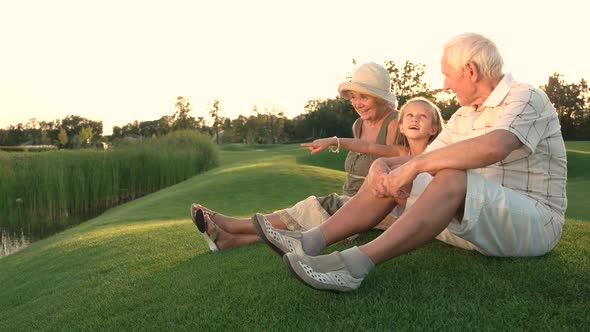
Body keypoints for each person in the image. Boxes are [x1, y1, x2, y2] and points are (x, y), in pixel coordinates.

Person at [252, 32, 568, 292]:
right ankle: (308, 241)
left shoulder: (525, 96)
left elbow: (496, 146)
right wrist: (383, 168)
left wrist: (413, 167)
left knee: (449, 176)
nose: (445, 84)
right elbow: (421, 159)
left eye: (448, 74)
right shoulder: (464, 115)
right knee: (402, 173)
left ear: (470, 70)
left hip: (535, 225)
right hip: (480, 222)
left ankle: (353, 266)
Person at [190, 63, 443, 252]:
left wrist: (335, 141)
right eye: (353, 97)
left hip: (374, 206)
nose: (357, 103)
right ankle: (229, 239)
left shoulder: (396, 122)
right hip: (351, 199)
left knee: (313, 207)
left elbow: (393, 156)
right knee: (309, 222)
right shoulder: (358, 125)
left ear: (380, 98)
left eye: (363, 97)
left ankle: (234, 225)